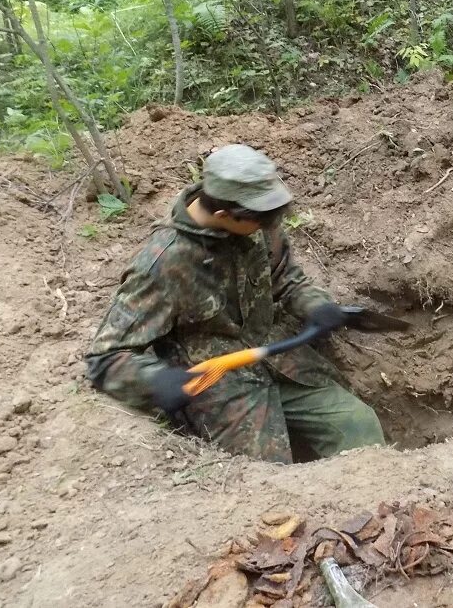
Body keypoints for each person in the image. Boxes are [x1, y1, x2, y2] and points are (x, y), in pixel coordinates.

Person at [85, 144, 385, 463]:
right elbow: (106, 357)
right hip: (223, 391)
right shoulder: (163, 264)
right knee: (269, 476)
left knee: (358, 425)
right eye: (259, 221)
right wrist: (158, 381)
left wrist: (314, 305)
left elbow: (285, 277)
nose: (269, 227)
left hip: (284, 364)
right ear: (223, 215)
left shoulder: (254, 219)